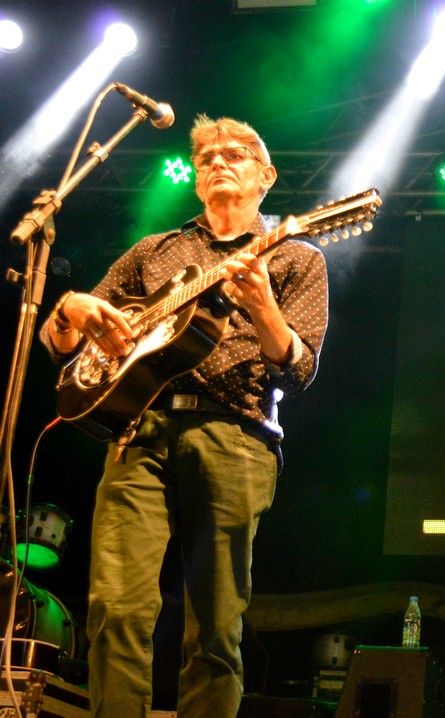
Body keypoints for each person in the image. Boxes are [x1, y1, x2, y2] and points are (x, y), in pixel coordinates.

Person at [39, 114, 329, 716]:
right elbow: (60, 344)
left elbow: (298, 369)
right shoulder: (154, 252)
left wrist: (265, 308)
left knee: (216, 629)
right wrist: (72, 308)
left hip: (235, 435)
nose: (219, 161)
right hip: (136, 433)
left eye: (237, 154)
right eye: (206, 158)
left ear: (266, 176)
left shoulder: (297, 256)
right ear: (196, 181)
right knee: (115, 609)